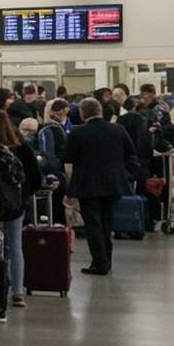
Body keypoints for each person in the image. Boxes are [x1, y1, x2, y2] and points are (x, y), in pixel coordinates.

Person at [63, 97, 136, 276]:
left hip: (87, 184)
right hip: (113, 182)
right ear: (100, 111)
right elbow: (130, 152)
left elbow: (67, 156)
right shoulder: (118, 129)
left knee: (93, 224)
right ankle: (107, 260)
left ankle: (99, 263)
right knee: (106, 222)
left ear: (82, 113)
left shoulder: (78, 132)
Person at [0, 110, 37, 323]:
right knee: (15, 246)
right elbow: (34, 176)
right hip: (15, 205)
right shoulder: (19, 147)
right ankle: (18, 291)